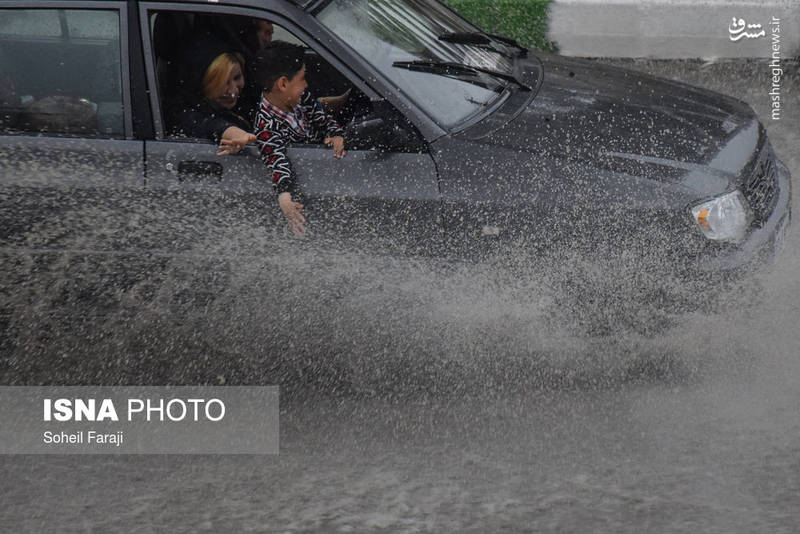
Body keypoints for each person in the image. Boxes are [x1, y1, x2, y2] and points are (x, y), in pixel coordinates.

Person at [251, 41, 346, 237]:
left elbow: (323, 119)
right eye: (302, 79)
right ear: (283, 84)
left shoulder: (300, 99)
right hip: (311, 189)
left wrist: (335, 133)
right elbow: (276, 161)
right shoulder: (266, 126)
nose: (306, 84)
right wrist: (285, 198)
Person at [168, 39, 256, 156]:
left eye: (237, 77)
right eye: (221, 83)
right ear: (204, 84)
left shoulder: (241, 104)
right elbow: (211, 125)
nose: (233, 91)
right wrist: (237, 135)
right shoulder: (185, 115)